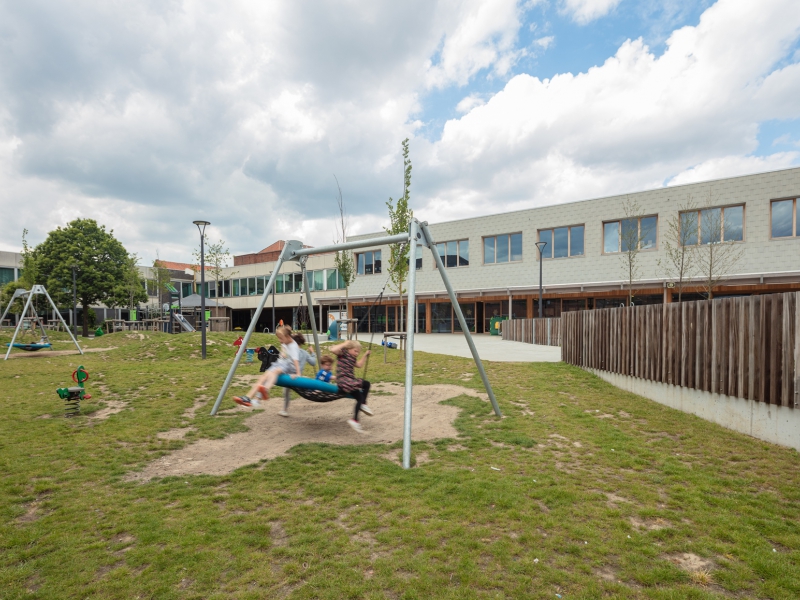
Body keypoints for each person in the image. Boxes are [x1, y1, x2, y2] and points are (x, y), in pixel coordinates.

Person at [234, 325, 300, 408]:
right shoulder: (285, 341)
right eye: (279, 338)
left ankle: (265, 390)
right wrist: (283, 352)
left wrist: (298, 373)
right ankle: (247, 398)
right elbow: (283, 348)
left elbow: (296, 361)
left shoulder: (293, 346)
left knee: (274, 372)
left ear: (287, 337)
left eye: (281, 338)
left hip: (290, 367)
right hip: (280, 364)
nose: (280, 340)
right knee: (263, 376)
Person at [330, 340, 373, 433]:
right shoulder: (343, 353)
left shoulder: (353, 358)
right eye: (355, 351)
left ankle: (355, 420)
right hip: (343, 381)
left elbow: (359, 365)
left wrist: (365, 355)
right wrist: (345, 344)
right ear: (349, 349)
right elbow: (333, 350)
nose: (357, 354)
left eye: (358, 352)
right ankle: (363, 405)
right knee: (366, 384)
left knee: (361, 397)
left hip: (350, 382)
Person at [277, 333, 318, 417]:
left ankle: (284, 410)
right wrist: (312, 352)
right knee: (307, 384)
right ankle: (317, 390)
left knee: (287, 393)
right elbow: (313, 363)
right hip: (298, 379)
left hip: (288, 378)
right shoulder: (305, 353)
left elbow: (283, 361)